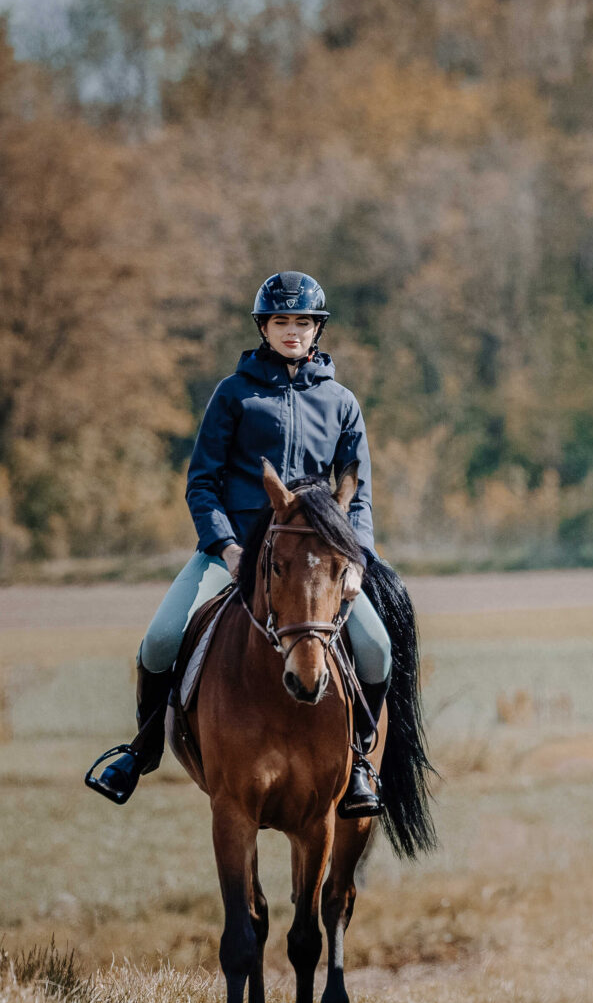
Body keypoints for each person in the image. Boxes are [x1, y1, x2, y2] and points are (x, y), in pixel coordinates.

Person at [85, 272, 392, 813]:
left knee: (377, 648)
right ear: (264, 327)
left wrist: (358, 562)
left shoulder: (342, 402)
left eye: (302, 322)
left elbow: (357, 496)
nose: (292, 331)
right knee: (158, 641)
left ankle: (361, 762)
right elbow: (201, 483)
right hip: (234, 550)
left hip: (317, 560)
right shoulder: (233, 394)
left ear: (317, 328)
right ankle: (141, 750)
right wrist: (226, 546)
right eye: (282, 322)